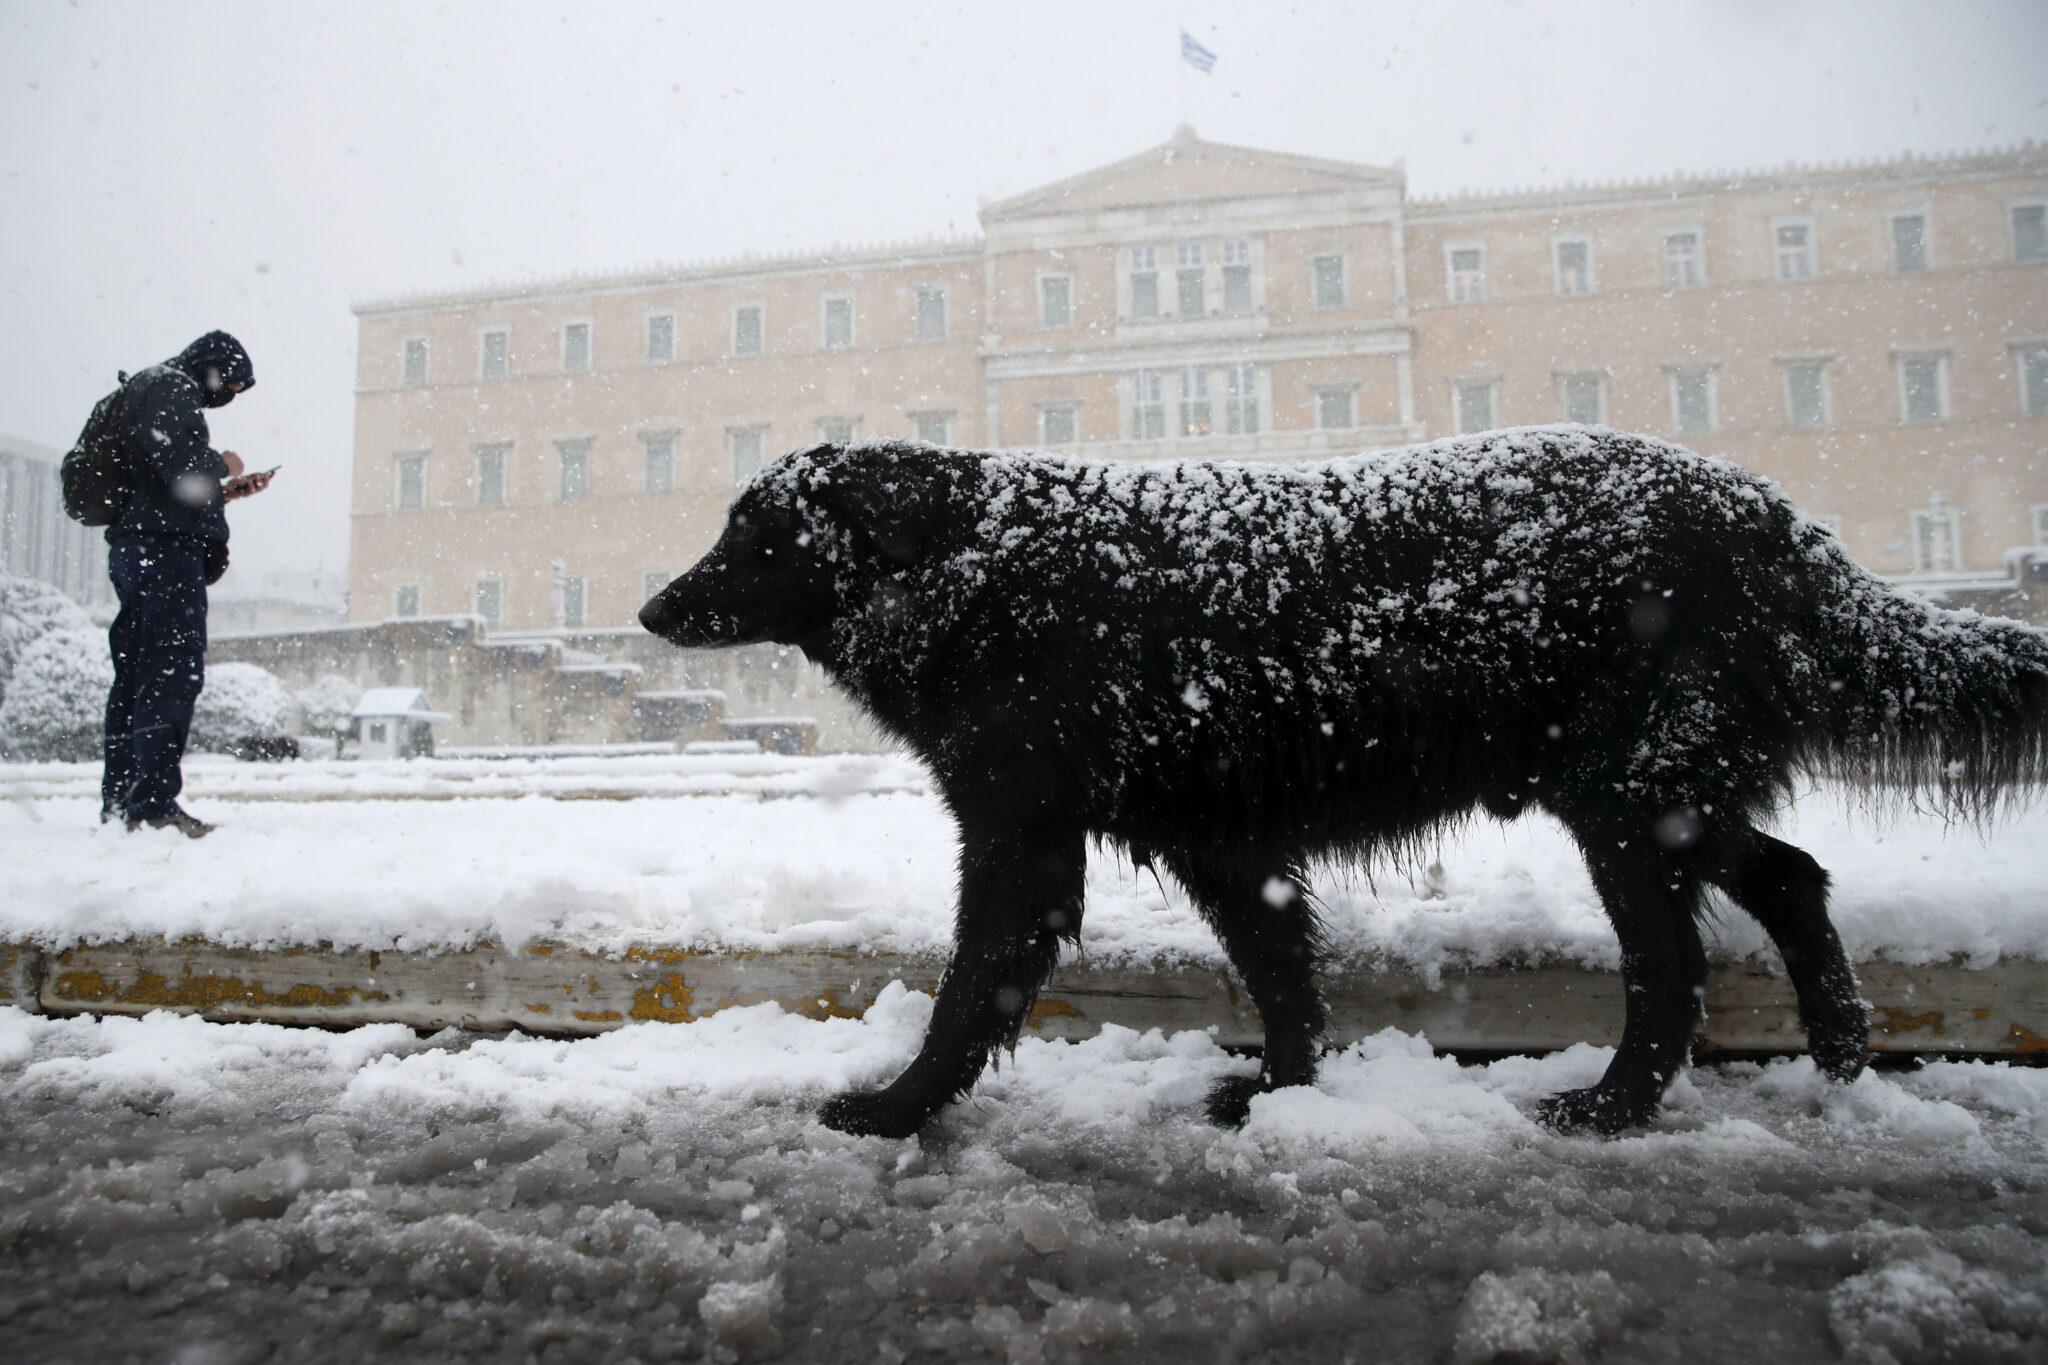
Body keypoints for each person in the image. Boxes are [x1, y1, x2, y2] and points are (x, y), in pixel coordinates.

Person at [100, 330, 273, 837]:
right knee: (169, 673)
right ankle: (152, 805)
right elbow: (179, 462)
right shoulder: (171, 386)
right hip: (164, 552)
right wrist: (224, 465)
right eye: (230, 385)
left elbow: (163, 482)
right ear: (212, 367)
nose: (229, 396)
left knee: (136, 676)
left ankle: (123, 804)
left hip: (141, 545)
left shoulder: (149, 388)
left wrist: (224, 492)